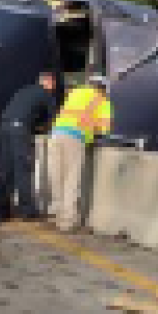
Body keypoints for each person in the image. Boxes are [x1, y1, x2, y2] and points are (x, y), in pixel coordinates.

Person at [47, 74, 112, 232]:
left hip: (56, 134)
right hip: (75, 138)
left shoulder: (75, 93)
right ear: (103, 89)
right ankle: (67, 221)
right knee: (71, 178)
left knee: (56, 175)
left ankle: (55, 212)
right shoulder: (102, 101)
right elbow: (103, 129)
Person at [0, 71, 58, 220]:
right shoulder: (46, 94)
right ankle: (27, 211)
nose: (54, 87)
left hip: (3, 127)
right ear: (49, 82)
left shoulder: (25, 90)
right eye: (54, 84)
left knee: (5, 170)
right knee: (22, 169)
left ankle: (2, 212)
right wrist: (44, 129)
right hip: (19, 130)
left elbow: (24, 110)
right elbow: (54, 119)